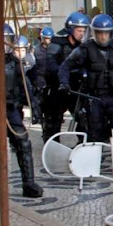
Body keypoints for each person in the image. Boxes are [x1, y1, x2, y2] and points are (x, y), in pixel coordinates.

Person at [59, 14, 113, 175]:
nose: (102, 36)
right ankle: (92, 166)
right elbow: (65, 66)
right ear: (94, 33)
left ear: (111, 33)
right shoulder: (85, 49)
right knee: (94, 132)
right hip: (94, 97)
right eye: (99, 33)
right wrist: (64, 83)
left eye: (105, 33)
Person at [0, 24, 43, 197]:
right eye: (0, 40)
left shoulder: (14, 62)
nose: (4, 43)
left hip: (11, 110)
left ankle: (29, 183)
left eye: (8, 40)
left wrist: (34, 106)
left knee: (23, 143)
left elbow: (25, 85)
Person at [43, 12, 90, 141]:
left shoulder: (83, 46)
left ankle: (84, 145)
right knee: (53, 119)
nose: (82, 33)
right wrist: (65, 74)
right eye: (79, 30)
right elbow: (50, 65)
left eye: (83, 30)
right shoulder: (57, 44)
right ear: (71, 29)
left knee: (83, 117)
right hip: (58, 87)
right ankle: (51, 147)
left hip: (75, 87)